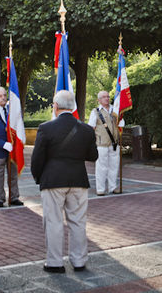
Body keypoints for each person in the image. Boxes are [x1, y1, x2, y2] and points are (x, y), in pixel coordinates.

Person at [31, 90, 98, 273]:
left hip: (52, 180)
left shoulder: (45, 128)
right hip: (78, 179)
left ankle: (54, 262)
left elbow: (37, 159)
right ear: (73, 107)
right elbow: (93, 156)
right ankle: (78, 261)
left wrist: (38, 177)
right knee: (78, 222)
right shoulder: (85, 129)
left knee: (53, 222)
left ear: (55, 106)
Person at [88, 90, 120, 195]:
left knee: (114, 166)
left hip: (114, 143)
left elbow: (121, 125)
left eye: (108, 96)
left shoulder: (115, 110)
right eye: (104, 97)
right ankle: (100, 189)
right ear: (99, 100)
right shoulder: (95, 112)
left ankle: (113, 187)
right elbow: (91, 128)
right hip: (101, 144)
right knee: (101, 167)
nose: (107, 98)